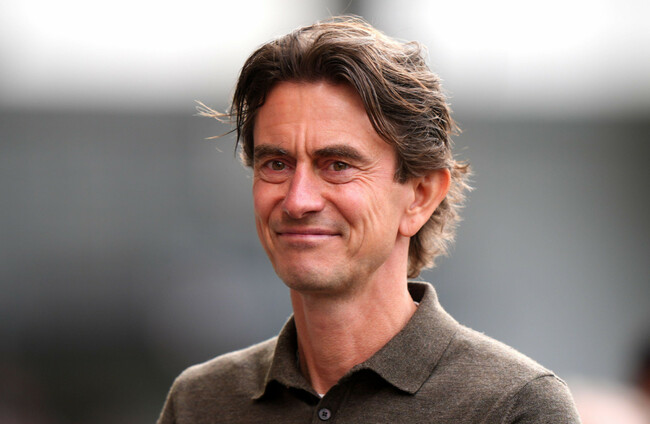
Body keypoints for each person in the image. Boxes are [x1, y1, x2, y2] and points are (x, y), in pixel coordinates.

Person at [157, 16, 580, 423]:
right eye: (276, 164)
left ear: (420, 196)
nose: (298, 201)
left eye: (338, 165)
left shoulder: (513, 408)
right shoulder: (200, 403)